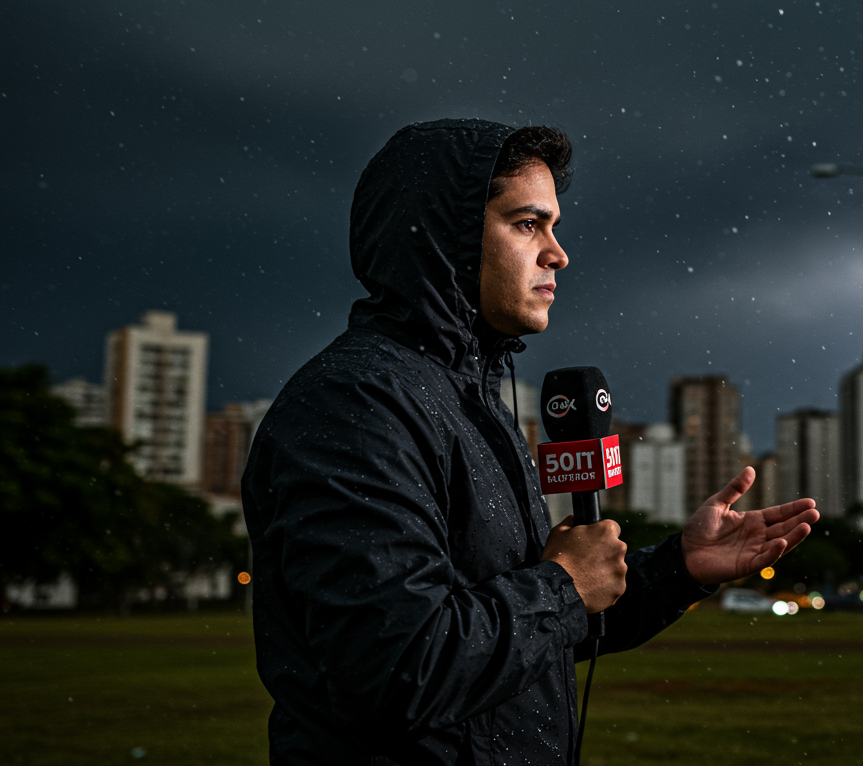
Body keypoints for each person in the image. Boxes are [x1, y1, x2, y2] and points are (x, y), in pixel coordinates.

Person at [241, 118, 819, 765]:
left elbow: (531, 640)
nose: (557, 254)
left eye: (555, 227)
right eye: (527, 224)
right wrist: (563, 585)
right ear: (447, 238)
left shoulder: (476, 402)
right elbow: (400, 669)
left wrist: (676, 570)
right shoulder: (357, 404)